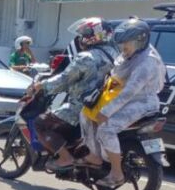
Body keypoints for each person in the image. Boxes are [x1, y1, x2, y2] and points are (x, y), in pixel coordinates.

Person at [80, 18, 166, 187]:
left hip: (143, 103)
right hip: (128, 99)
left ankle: (116, 174)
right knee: (86, 113)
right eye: (121, 44)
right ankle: (95, 155)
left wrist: (106, 111)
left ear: (140, 41)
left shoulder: (147, 63)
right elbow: (116, 71)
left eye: (127, 44)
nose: (123, 48)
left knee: (106, 128)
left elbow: (129, 92)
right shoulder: (134, 53)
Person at [29, 18, 116, 171]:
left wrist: (41, 85)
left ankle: (65, 157)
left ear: (96, 35)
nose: (82, 38)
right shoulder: (115, 54)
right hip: (107, 106)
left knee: (41, 123)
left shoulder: (86, 57)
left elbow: (64, 80)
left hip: (81, 108)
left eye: (86, 33)